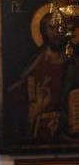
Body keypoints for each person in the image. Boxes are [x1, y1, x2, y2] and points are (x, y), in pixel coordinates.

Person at [7, 8, 79, 147]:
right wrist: (35, 108)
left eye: (60, 28)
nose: (56, 33)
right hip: (39, 135)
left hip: (71, 137)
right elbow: (13, 99)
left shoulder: (75, 64)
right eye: (51, 27)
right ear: (43, 31)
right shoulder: (33, 64)